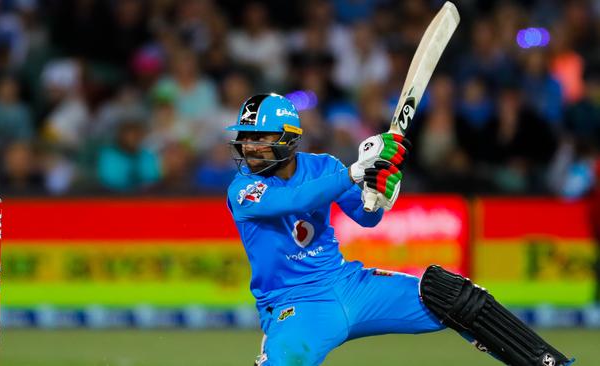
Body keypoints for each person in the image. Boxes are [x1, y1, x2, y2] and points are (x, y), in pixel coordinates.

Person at [225, 93, 574, 366]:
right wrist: (357, 172)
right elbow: (295, 201)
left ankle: (545, 362)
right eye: (246, 137)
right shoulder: (242, 189)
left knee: (449, 296)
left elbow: (366, 218)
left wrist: (377, 194)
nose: (249, 145)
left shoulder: (323, 166)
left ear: (288, 139)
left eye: (259, 137)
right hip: (294, 305)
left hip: (348, 286)